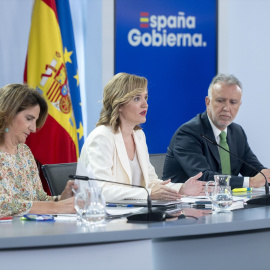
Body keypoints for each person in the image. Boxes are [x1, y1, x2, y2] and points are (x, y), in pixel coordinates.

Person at [79, 73, 204, 201]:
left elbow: (151, 183)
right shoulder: (101, 137)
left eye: (145, 97)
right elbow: (100, 190)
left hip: (133, 214)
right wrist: (148, 194)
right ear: (119, 104)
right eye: (137, 99)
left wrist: (181, 188)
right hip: (103, 217)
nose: (145, 104)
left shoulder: (138, 135)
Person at [162, 74, 270, 189]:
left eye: (233, 102)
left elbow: (255, 170)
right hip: (185, 203)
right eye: (220, 101)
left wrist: (265, 177)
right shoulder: (188, 133)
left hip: (226, 203)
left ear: (239, 105)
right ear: (208, 102)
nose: (227, 108)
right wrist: (251, 182)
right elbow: (203, 178)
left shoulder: (237, 132)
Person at [0, 84, 76, 216]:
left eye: (35, 121)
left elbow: (38, 199)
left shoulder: (24, 152)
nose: (34, 129)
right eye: (29, 119)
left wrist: (63, 199)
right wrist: (57, 207)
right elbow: (3, 204)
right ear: (8, 113)